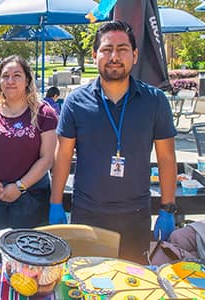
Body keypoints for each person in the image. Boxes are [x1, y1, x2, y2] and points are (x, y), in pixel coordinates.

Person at [49, 20, 177, 264]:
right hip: (87, 214)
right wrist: (56, 204)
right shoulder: (76, 102)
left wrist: (167, 207)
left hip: (136, 215)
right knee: (88, 283)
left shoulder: (155, 101)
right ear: (95, 55)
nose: (114, 56)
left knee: (132, 284)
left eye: (122, 49)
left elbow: (166, 158)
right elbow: (62, 156)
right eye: (107, 49)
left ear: (135, 55)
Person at [0, 55, 58, 256]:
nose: (10, 81)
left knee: (29, 260)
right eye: (5, 76)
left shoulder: (44, 113)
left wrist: (20, 186)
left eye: (17, 75)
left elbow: (47, 158)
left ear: (27, 80)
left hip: (30, 200)